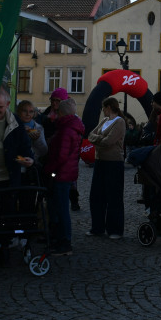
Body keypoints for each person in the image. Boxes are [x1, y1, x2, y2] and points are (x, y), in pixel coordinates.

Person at [0, 86, 35, 264]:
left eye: (0, 108)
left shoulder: (16, 124)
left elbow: (26, 149)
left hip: (7, 176)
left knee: (7, 214)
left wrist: (29, 160)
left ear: (8, 105)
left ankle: (4, 247)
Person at [45, 98, 85, 255]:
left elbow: (61, 156)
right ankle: (61, 240)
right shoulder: (71, 128)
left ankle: (64, 242)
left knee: (61, 209)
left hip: (62, 174)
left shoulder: (66, 130)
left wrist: (49, 169)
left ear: (61, 113)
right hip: (67, 173)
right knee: (60, 208)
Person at [85, 97, 126, 240]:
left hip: (113, 162)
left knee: (114, 196)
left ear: (109, 107)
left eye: (104, 108)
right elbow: (90, 135)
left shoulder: (119, 122)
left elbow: (110, 141)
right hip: (100, 161)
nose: (102, 110)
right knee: (96, 196)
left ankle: (115, 229)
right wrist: (100, 140)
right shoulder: (104, 121)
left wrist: (99, 140)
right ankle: (98, 227)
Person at [37, 87, 80, 211]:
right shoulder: (45, 114)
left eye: (57, 101)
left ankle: (73, 200)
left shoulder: (70, 116)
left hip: (65, 153)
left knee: (70, 180)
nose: (54, 103)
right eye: (53, 100)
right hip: (49, 152)